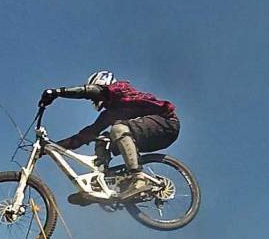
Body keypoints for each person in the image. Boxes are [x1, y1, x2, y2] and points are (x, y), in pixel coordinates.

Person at [39, 70, 180, 201]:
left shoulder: (121, 89)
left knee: (118, 129)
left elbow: (92, 92)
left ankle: (138, 177)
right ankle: (101, 183)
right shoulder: (110, 114)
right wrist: (50, 148)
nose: (94, 100)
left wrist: (57, 92)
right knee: (102, 139)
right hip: (149, 136)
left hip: (166, 124)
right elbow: (83, 137)